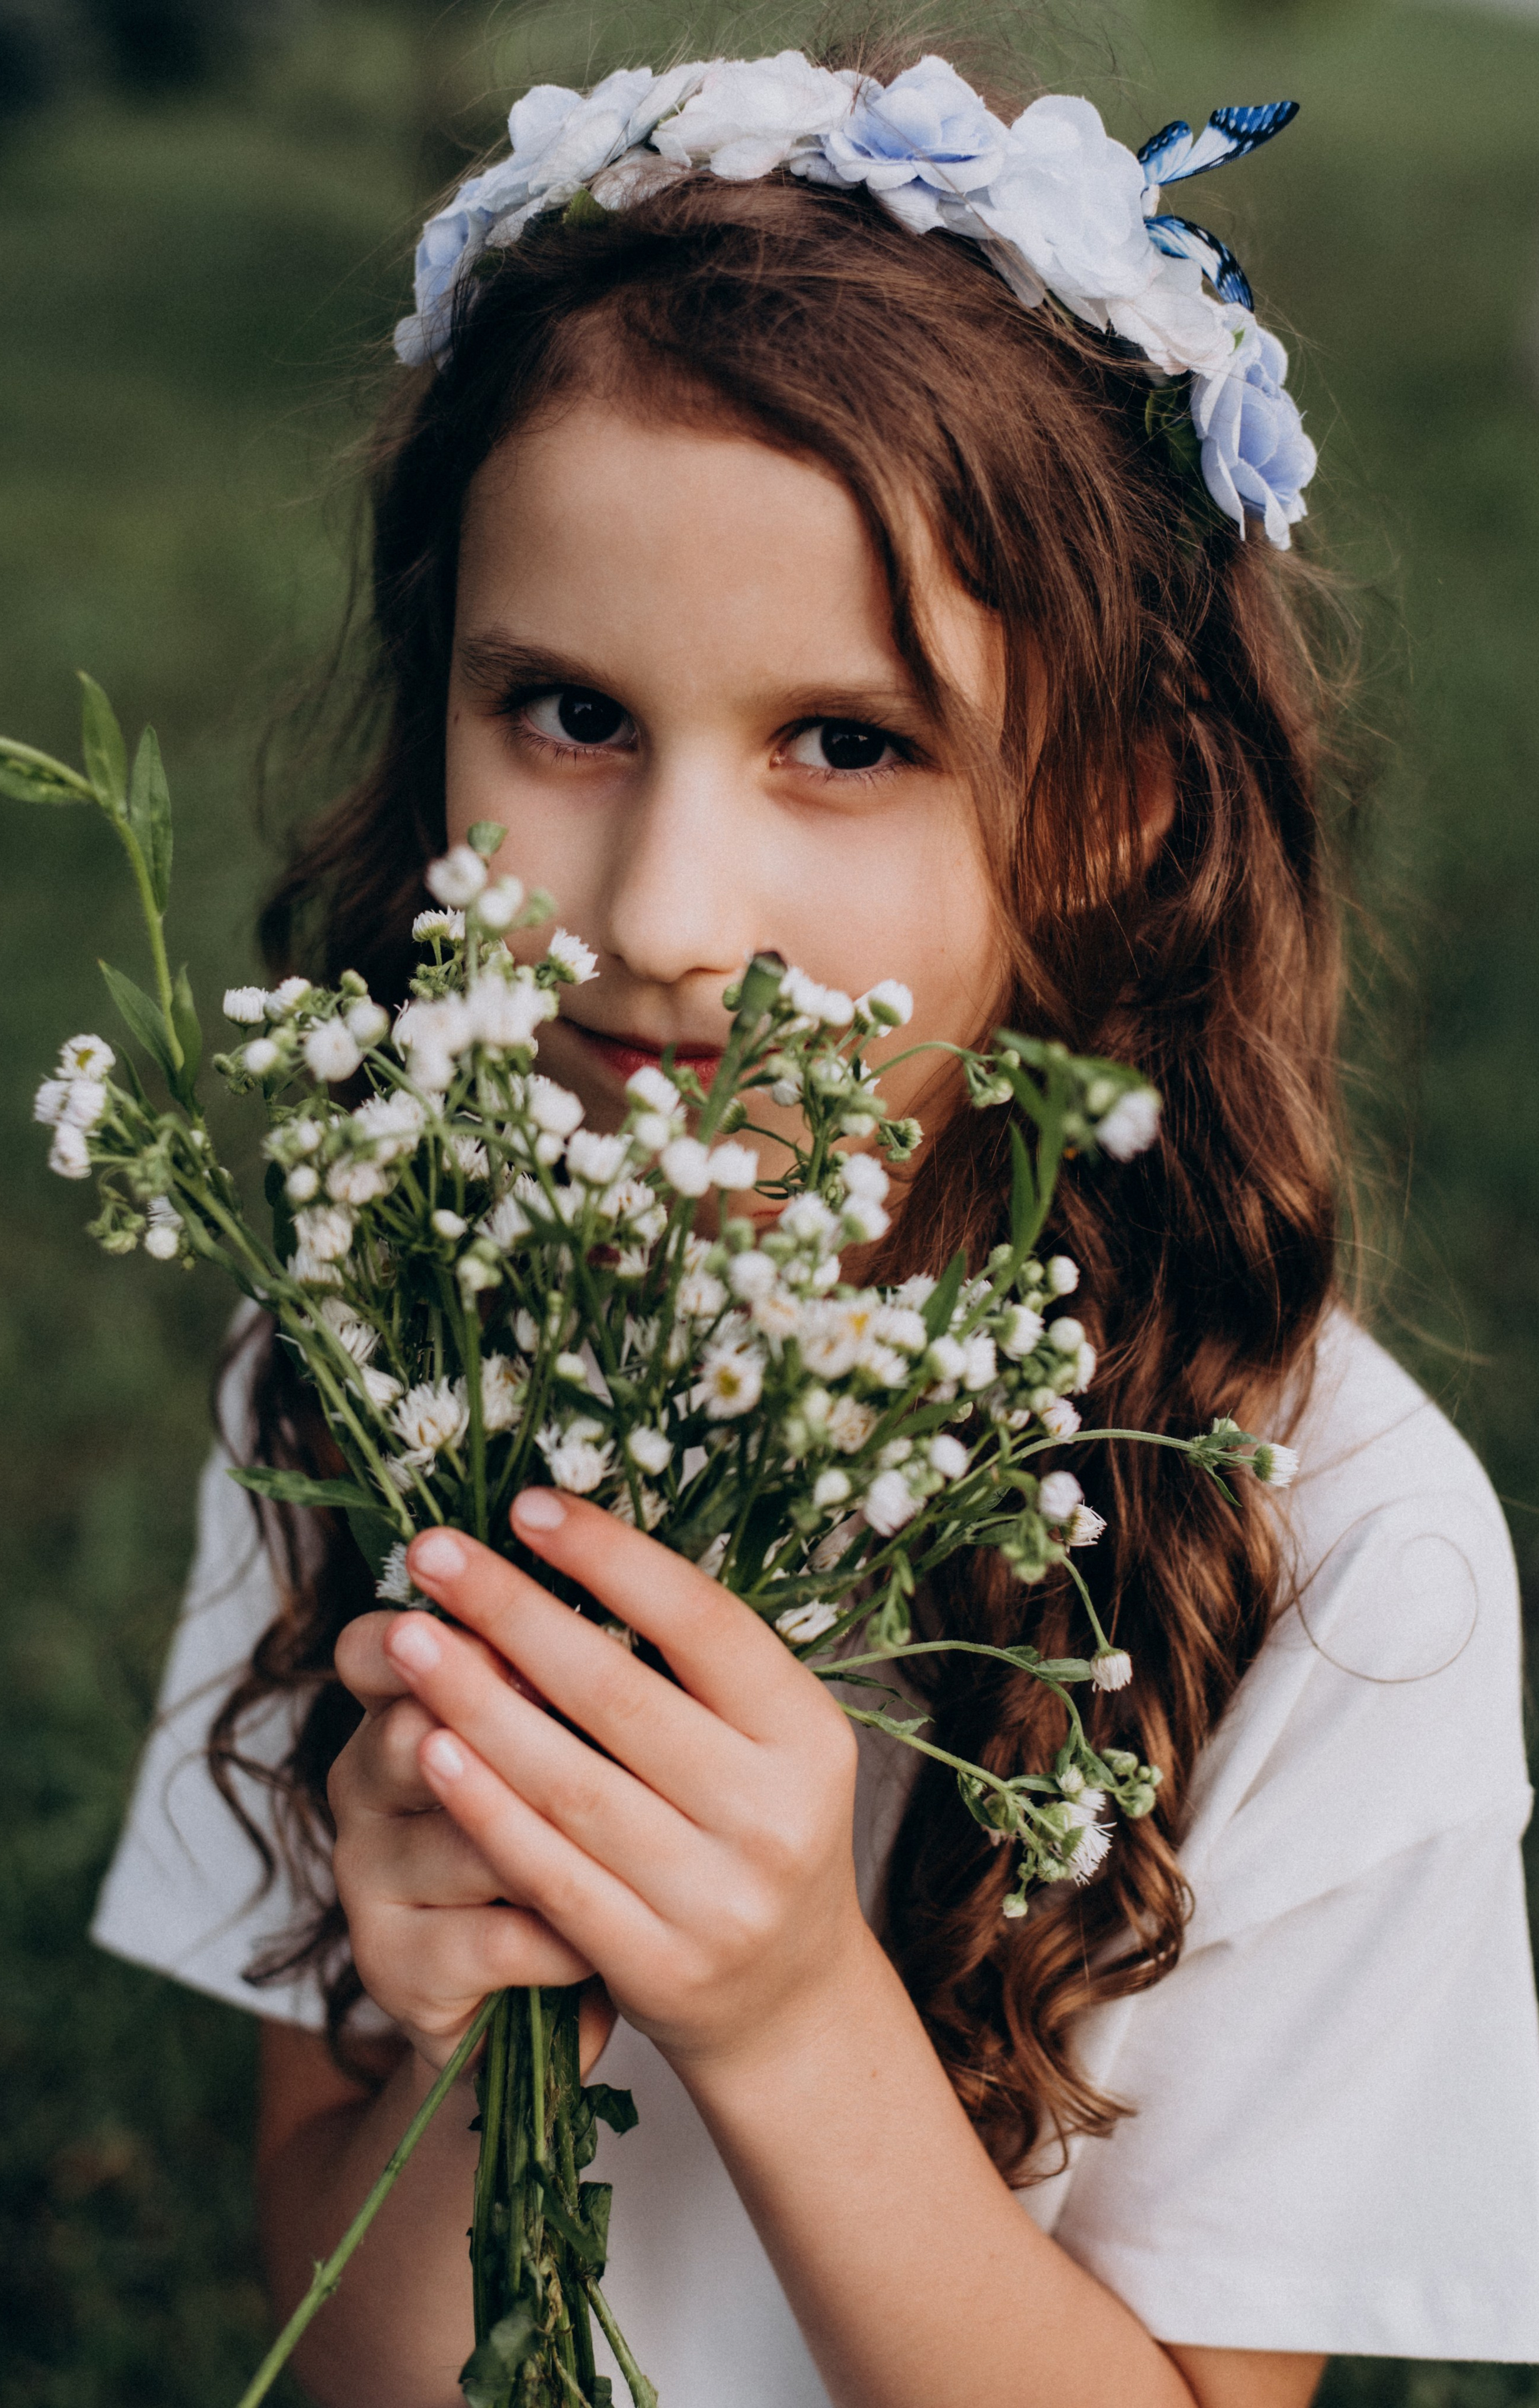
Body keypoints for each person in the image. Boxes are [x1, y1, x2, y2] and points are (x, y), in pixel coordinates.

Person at [90, 38, 1539, 2408]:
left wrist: (776, 2008)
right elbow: (346, 2348)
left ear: (1117, 805)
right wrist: (486, 2012)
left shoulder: (1339, 1558)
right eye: (561, 710)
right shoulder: (370, 1359)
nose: (663, 911)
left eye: (846, 743)